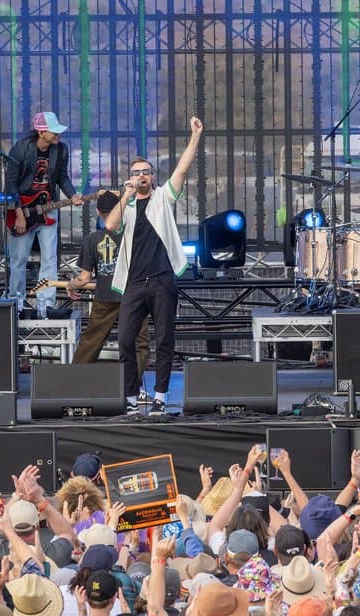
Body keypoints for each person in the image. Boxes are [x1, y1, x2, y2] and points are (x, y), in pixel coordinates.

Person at [104, 117, 205, 415]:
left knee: (164, 341)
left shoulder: (163, 197)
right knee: (125, 341)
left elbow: (182, 169)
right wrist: (126, 194)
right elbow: (110, 225)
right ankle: (131, 399)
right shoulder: (127, 204)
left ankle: (160, 397)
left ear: (152, 176)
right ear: (130, 178)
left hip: (161, 280)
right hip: (134, 283)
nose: (141, 177)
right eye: (136, 173)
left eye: (145, 172)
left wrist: (195, 136)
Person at [5, 111, 84, 319]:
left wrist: (73, 195)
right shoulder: (21, 149)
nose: (58, 135)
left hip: (48, 208)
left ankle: (45, 305)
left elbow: (62, 178)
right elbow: (11, 184)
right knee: (18, 259)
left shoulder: (61, 150)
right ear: (41, 132)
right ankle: (16, 303)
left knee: (49, 258)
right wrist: (19, 214)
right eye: (54, 131)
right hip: (24, 209)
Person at [69, 191, 151, 382]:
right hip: (134, 296)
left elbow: (84, 278)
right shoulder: (135, 235)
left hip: (105, 297)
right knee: (139, 342)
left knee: (91, 340)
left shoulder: (91, 239)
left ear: (98, 212)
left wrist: (71, 285)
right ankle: (132, 386)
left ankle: (73, 382)